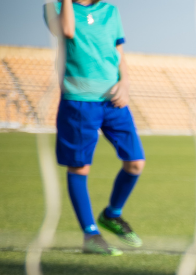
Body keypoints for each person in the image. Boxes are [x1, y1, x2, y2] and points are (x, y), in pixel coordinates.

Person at [46, 0, 145, 256]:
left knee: (136, 163)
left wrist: (125, 82)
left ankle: (112, 215)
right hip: (79, 102)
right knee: (80, 168)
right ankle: (91, 234)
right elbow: (66, 30)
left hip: (113, 99)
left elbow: (119, 52)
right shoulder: (55, 7)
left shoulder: (110, 11)